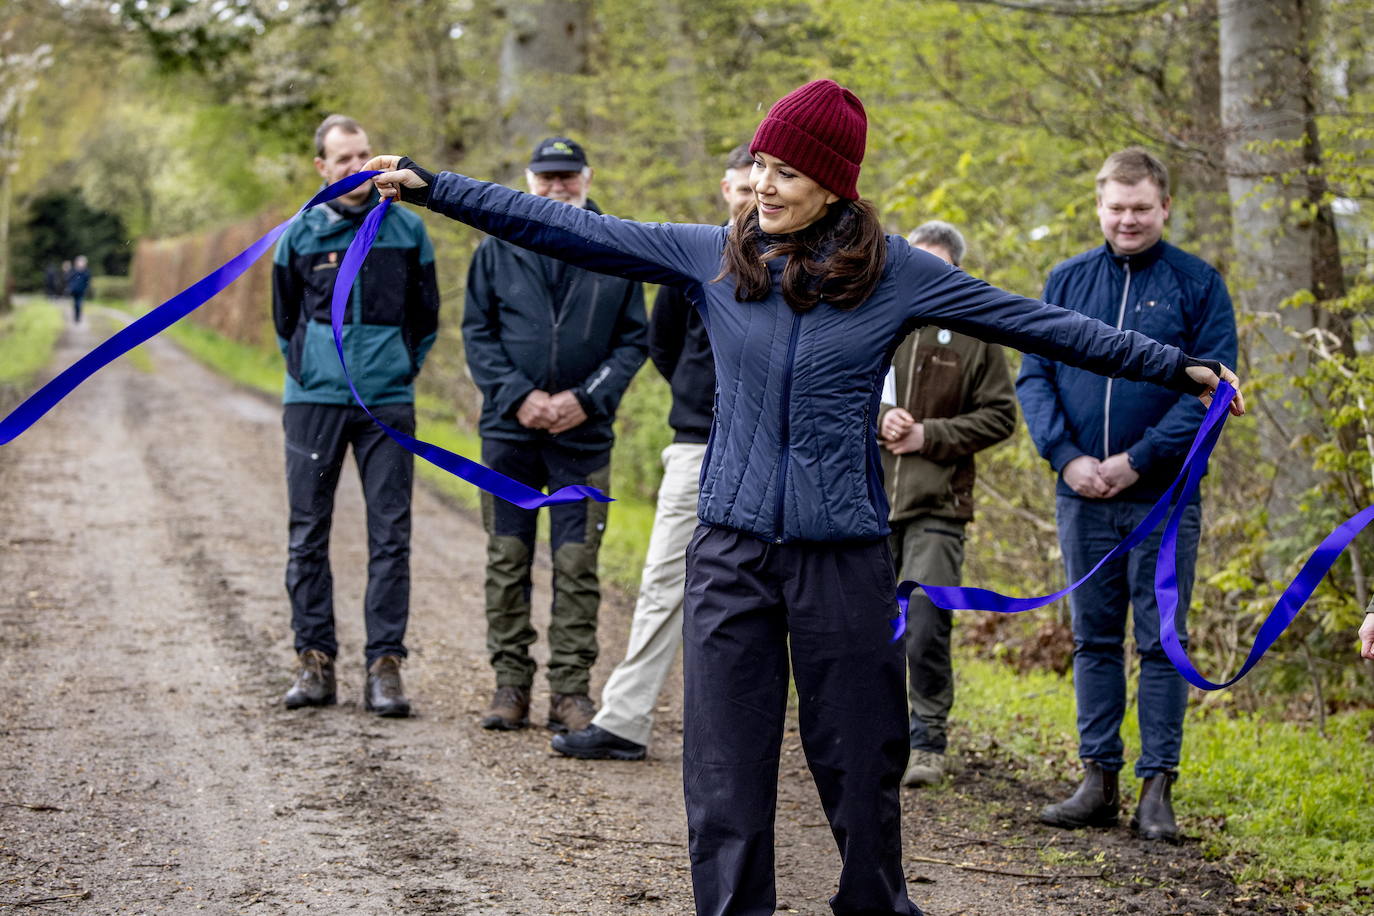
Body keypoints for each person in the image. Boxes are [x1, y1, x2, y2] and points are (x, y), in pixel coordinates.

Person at [367, 79, 1241, 916]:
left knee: (863, 766)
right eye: (759, 168)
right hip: (731, 552)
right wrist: (435, 189)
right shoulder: (712, 252)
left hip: (844, 554)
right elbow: (559, 226)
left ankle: (874, 903)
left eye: (785, 172)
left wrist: (1177, 367)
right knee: (724, 777)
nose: (762, 185)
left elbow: (1035, 323)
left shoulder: (899, 272)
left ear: (833, 183)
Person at [1017, 147, 1239, 844]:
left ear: (1164, 207)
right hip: (1081, 493)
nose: (1128, 220)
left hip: (1163, 497)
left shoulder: (1198, 285)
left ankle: (1157, 789)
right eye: (1116, 207)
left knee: (1162, 640)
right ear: (1099, 206)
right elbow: (1034, 377)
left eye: (1141, 208)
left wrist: (1137, 461)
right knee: (1093, 639)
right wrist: (1069, 457)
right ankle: (1097, 779)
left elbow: (1215, 388)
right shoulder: (1065, 280)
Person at [552, 143, 755, 762]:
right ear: (726, 190)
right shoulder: (698, 256)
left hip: (768, 453)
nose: (753, 199)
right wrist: (700, 400)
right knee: (665, 581)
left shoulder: (798, 269)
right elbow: (664, 345)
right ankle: (625, 721)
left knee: (758, 597)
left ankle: (746, 737)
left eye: (763, 186)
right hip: (696, 445)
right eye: (743, 188)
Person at [464, 136, 647, 735]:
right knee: (507, 557)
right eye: (546, 177)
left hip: (583, 438)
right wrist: (520, 397)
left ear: (587, 178)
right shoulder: (497, 245)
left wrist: (585, 399)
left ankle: (570, 691)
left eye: (568, 176)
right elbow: (477, 334)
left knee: (577, 565)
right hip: (508, 434)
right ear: (528, 179)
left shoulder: (616, 246)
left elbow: (632, 342)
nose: (557, 187)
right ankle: (509, 685)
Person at [271, 114, 440, 718]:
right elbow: (285, 318)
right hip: (313, 401)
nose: (356, 167)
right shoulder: (300, 234)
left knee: (390, 535)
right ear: (322, 167)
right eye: (342, 159)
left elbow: (426, 320)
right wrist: (311, 367)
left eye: (364, 155)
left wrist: (395, 369)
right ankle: (314, 662)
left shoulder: (409, 232)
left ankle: (384, 667)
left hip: (387, 404)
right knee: (306, 532)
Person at [877, 221, 1017, 788]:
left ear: (955, 270)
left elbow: (1001, 415)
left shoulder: (976, 332)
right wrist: (877, 419)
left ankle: (928, 738)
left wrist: (928, 435)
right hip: (865, 499)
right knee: (865, 626)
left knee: (927, 620)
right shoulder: (875, 316)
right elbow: (833, 387)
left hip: (939, 504)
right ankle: (875, 736)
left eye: (938, 267)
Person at [67, 256, 91, 323]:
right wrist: (70, 287)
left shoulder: (86, 271)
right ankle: (76, 316)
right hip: (74, 290)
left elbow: (88, 280)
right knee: (75, 304)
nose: (81, 263)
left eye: (82, 262)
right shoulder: (74, 270)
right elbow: (69, 279)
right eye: (79, 262)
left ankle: (78, 317)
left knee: (79, 304)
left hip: (82, 291)